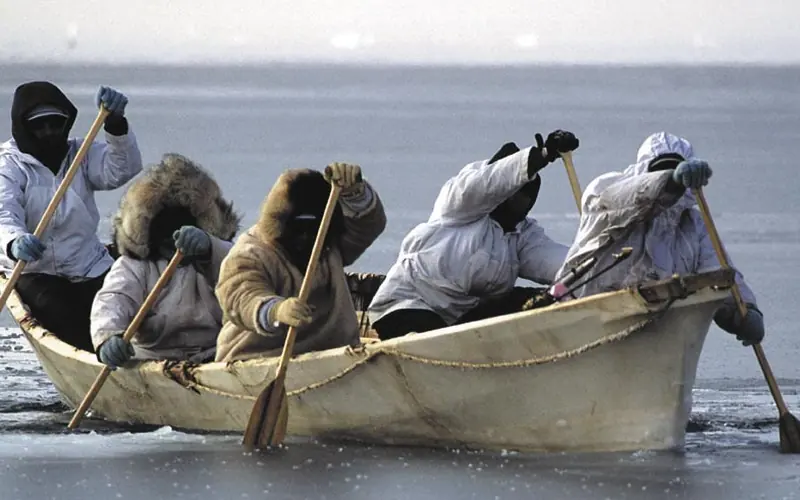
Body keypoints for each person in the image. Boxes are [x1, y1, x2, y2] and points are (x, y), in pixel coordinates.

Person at [554, 131, 764, 346]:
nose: (669, 174)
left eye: (675, 168)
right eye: (660, 168)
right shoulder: (604, 194)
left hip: (660, 330)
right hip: (585, 320)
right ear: (643, 170)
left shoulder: (694, 225)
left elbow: (717, 270)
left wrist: (745, 311)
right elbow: (630, 195)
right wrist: (670, 180)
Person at [367, 130, 580, 340]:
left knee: (550, 298)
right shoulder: (459, 205)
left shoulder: (522, 234)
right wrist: (541, 155)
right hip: (408, 308)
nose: (523, 201)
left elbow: (563, 263)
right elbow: (487, 183)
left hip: (463, 321)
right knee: (438, 340)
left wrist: (605, 267)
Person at [0, 81, 143, 352]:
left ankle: (131, 358)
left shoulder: (81, 152)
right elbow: (3, 213)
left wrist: (115, 125)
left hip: (87, 263)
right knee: (58, 312)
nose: (49, 132)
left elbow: (122, 169)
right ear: (23, 127)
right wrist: (15, 242)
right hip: (34, 270)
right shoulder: (9, 164)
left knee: (126, 301)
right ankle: (93, 356)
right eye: (39, 126)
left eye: (56, 124)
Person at [214, 163, 387, 362]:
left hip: (335, 356)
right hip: (259, 360)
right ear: (279, 223)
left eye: (314, 228)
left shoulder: (328, 244)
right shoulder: (251, 253)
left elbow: (365, 227)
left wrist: (354, 194)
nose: (306, 237)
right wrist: (275, 311)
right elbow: (240, 297)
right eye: (298, 227)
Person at [90, 154, 242, 368]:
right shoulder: (135, 265)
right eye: (166, 238)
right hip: (150, 358)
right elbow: (114, 299)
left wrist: (209, 247)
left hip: (219, 356)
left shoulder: (224, 255)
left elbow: (244, 277)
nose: (176, 246)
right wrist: (107, 336)